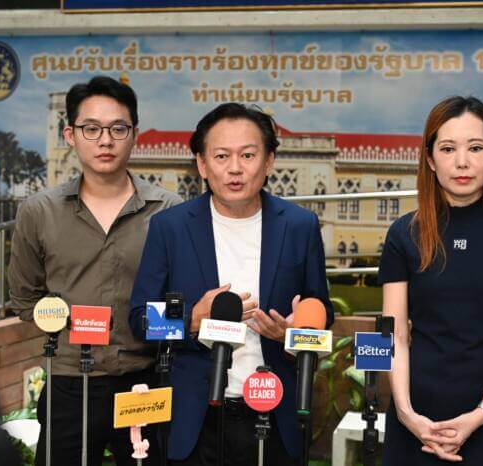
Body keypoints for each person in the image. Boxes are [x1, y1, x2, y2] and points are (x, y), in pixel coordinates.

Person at [129, 103, 333, 466]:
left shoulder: (299, 226)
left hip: (275, 411)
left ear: (269, 162)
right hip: (196, 418)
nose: (235, 168)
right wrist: (192, 319)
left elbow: (322, 312)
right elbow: (140, 319)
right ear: (202, 164)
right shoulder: (170, 228)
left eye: (248, 155)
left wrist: (290, 335)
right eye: (222, 156)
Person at [9, 76, 182, 466]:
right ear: (70, 135)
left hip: (145, 379)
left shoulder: (169, 210)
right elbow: (24, 299)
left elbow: (181, 298)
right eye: (91, 129)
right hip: (70, 381)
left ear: (134, 134)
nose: (105, 140)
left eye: (118, 128)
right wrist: (66, 325)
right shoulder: (39, 211)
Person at [378, 96, 483, 465]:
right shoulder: (404, 234)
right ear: (430, 159)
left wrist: (481, 414)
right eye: (448, 148)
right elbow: (395, 334)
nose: (462, 162)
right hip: (414, 419)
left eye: (475, 148)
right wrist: (406, 413)